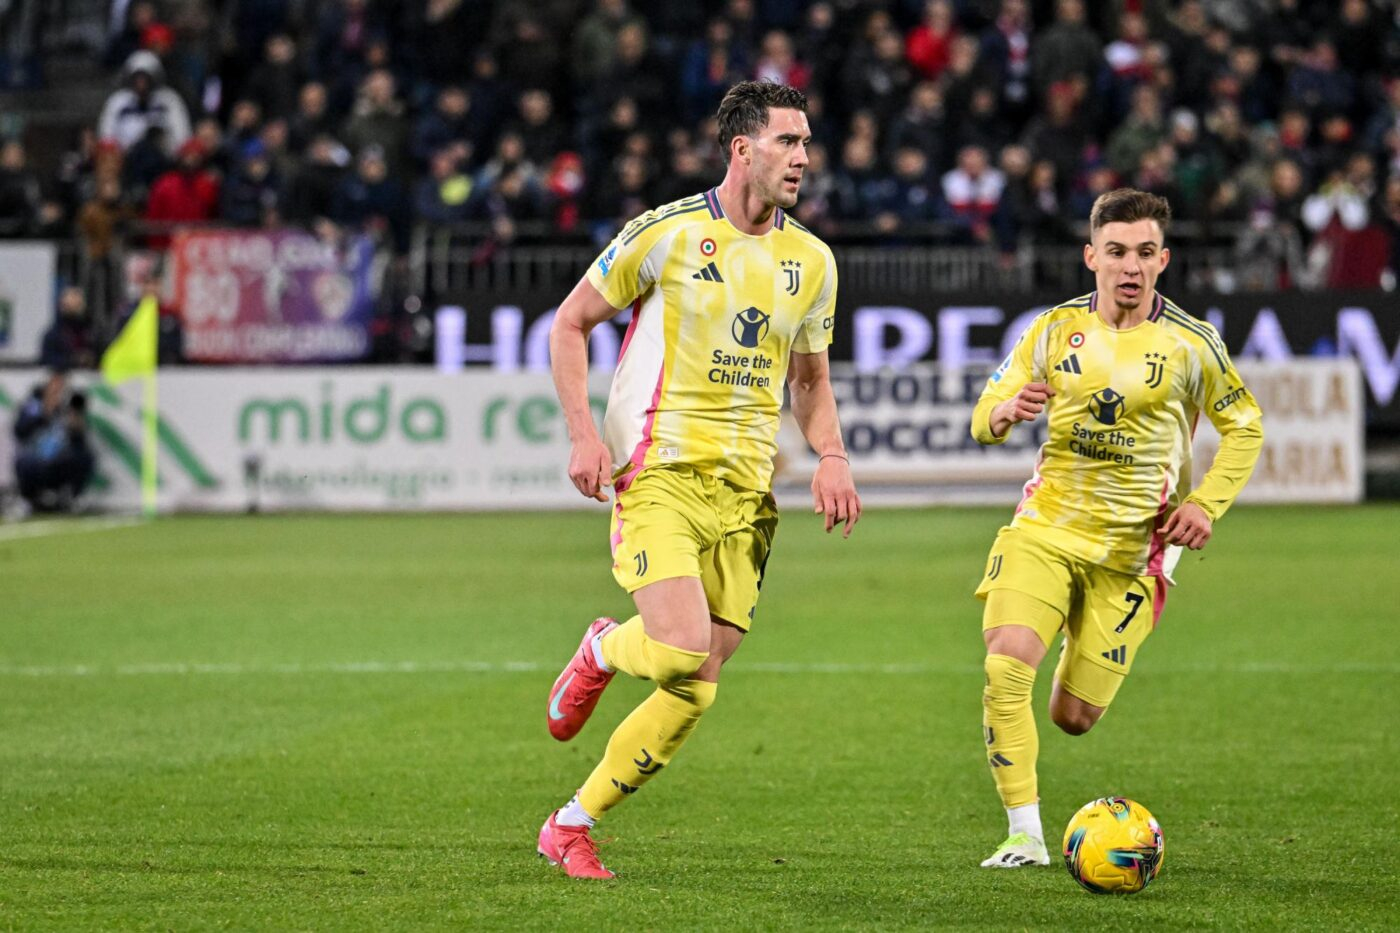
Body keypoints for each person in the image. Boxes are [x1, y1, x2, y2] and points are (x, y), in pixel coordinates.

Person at [538, 81, 860, 879]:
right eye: (788, 141)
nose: (804, 157)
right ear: (742, 149)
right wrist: (583, 434)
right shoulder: (668, 233)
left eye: (807, 141)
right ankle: (603, 648)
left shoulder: (812, 261)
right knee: (680, 649)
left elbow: (810, 380)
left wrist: (831, 455)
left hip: (747, 493)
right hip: (661, 471)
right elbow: (571, 323)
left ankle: (571, 824)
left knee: (697, 685)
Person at [970, 188, 1263, 868]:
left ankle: (1076, 632)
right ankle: (1024, 835)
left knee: (1073, 717)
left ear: (1163, 260)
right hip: (1046, 527)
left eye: (1144, 252)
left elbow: (1245, 428)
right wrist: (1004, 412)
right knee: (1005, 665)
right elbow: (984, 414)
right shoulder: (1054, 329)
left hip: (1135, 551)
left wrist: (1206, 503)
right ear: (1090, 256)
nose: (1130, 266)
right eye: (1116, 251)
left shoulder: (1191, 343)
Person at [13, 372, 96, 514]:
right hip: (36, 456)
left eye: (61, 388)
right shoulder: (34, 405)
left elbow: (80, 442)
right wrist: (44, 413)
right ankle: (27, 499)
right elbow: (20, 431)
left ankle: (74, 497)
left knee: (84, 457)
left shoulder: (69, 408)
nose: (57, 392)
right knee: (23, 461)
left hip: (60, 458)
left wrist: (76, 427)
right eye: (54, 387)